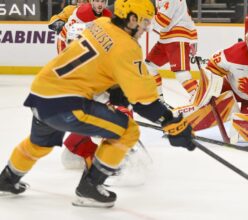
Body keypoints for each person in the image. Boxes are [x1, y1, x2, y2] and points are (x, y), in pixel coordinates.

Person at [0, 0, 195, 208]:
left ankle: (6, 180)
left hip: (41, 93)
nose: (147, 27)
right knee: (128, 131)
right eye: (145, 21)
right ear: (131, 19)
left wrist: (117, 91)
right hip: (67, 104)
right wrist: (171, 122)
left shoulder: (101, 24)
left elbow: (102, 66)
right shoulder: (127, 47)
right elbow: (143, 99)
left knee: (39, 143)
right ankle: (90, 188)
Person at [182, 26, 248, 143]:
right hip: (230, 88)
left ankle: (240, 122)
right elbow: (212, 66)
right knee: (208, 105)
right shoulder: (234, 53)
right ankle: (182, 124)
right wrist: (209, 90)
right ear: (247, 44)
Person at [145, 0, 198, 108]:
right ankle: (158, 100)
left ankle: (201, 99)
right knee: (149, 67)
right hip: (166, 37)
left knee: (181, 74)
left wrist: (143, 22)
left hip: (177, 37)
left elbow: (162, 21)